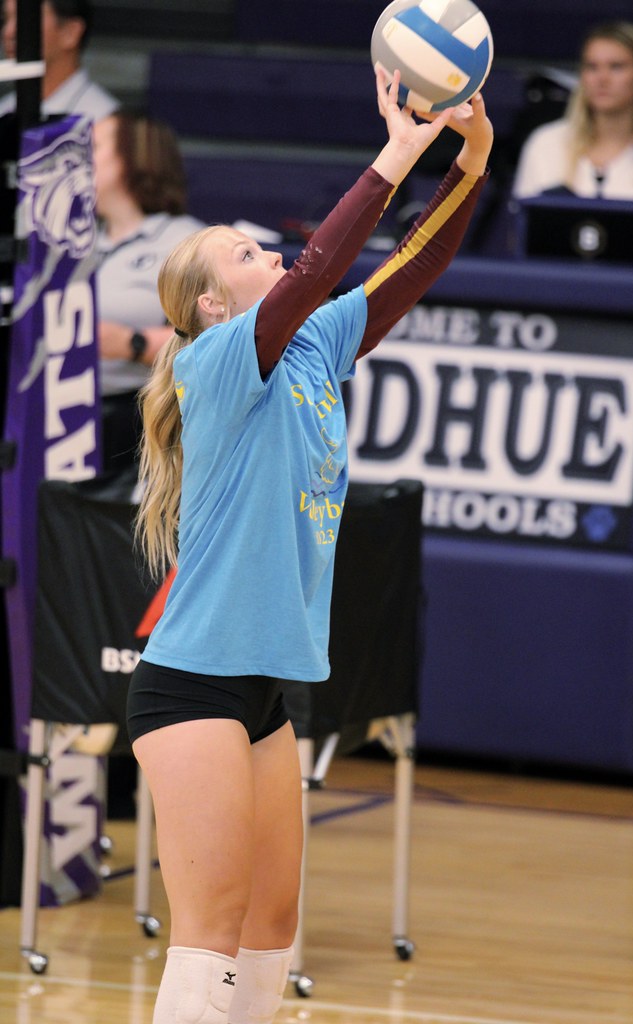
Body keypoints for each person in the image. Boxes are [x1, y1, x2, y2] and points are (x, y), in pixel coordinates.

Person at [127, 66, 492, 1024]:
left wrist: (472, 165)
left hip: (263, 689)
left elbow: (411, 267)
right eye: (244, 252)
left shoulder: (312, 346)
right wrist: (394, 155)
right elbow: (318, 268)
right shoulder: (216, 361)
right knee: (208, 930)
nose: (271, 256)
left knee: (271, 927)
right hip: (191, 683)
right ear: (212, 304)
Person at [92, 110, 203, 473]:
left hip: (138, 424)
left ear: (135, 155)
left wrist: (132, 342)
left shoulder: (186, 241)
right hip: (56, 416)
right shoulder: (73, 242)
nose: (77, 161)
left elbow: (221, 336)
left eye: (92, 147)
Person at [512, 21, 633, 202]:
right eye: (592, 67)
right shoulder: (546, 144)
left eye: (616, 66)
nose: (602, 79)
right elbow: (523, 224)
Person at [0, 0, 118, 121]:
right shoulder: (5, 110)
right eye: (5, 19)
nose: (8, 32)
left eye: (26, 19)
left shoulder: (101, 120)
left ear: (70, 32)